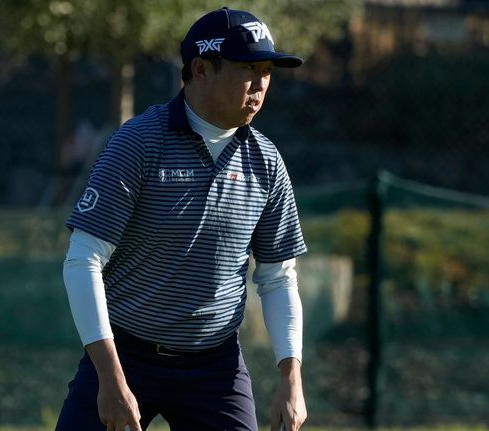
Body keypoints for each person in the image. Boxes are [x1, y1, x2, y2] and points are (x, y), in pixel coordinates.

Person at [56, 7, 308, 431]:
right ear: (201, 69)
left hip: (216, 366)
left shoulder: (266, 160)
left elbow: (278, 276)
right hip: (125, 355)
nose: (261, 84)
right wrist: (111, 378)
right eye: (248, 69)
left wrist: (291, 378)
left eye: (267, 70)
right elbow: (83, 261)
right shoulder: (138, 143)